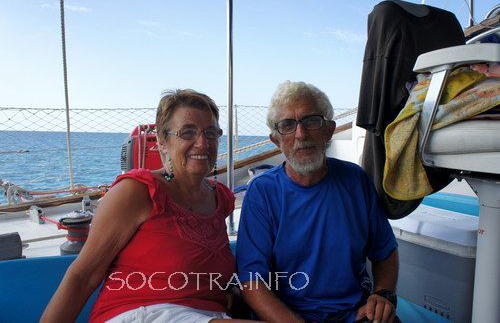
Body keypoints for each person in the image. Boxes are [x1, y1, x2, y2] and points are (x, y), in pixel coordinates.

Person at [42, 89, 251, 323]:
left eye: (210, 132)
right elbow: (84, 274)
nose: (202, 143)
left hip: (209, 315)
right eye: (188, 132)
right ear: (162, 142)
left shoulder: (220, 198)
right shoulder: (139, 190)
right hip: (142, 313)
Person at [236, 81, 399, 323]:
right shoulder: (262, 192)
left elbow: (385, 251)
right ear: (276, 140)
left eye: (311, 121)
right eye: (287, 126)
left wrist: (383, 294)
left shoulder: (356, 180)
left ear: (329, 130)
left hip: (355, 314)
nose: (301, 135)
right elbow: (251, 281)